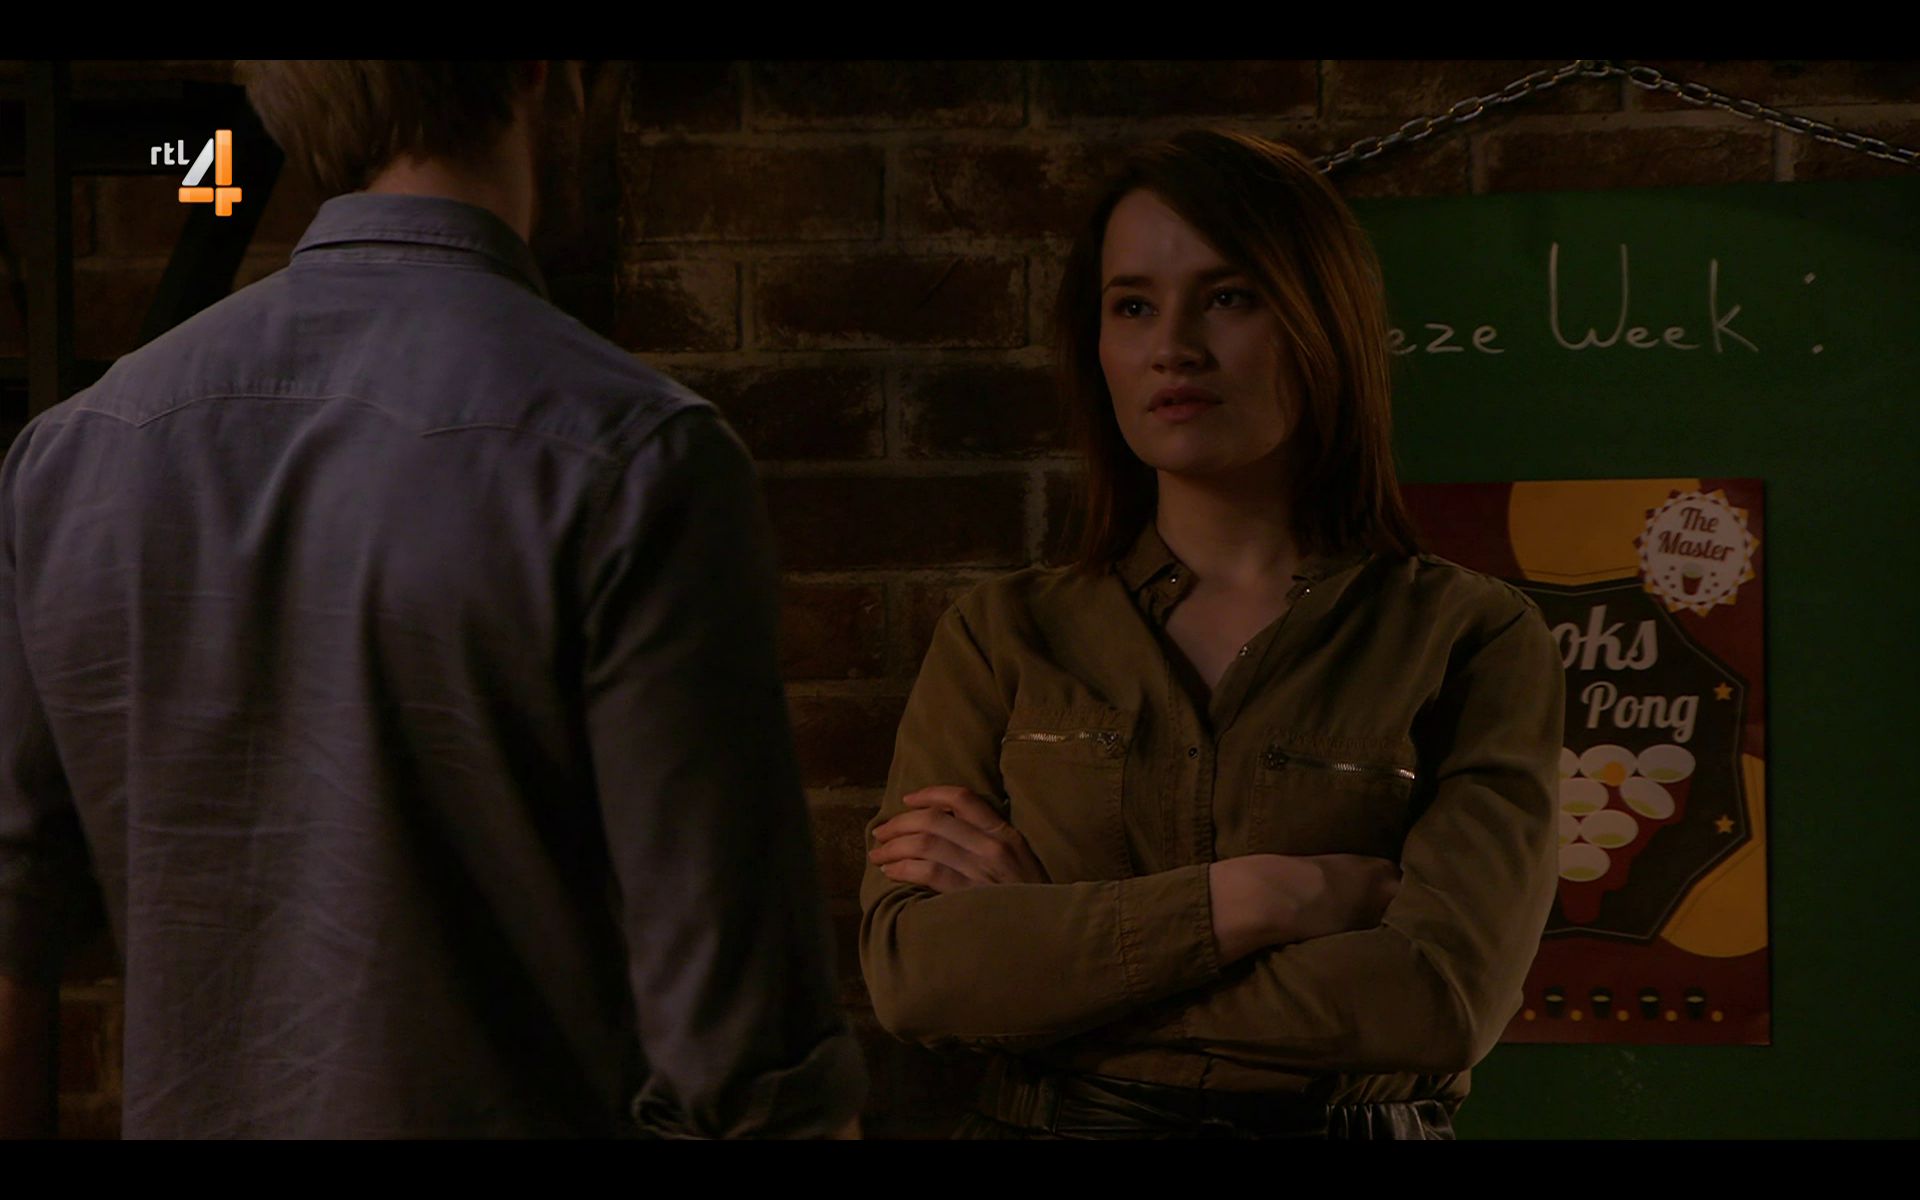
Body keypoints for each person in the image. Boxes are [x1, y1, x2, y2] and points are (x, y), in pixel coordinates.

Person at [0, 61, 863, 1139]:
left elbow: (13, 943)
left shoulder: (72, 457)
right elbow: (747, 1067)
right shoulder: (635, 459)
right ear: (542, 73)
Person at [858, 130, 1565, 1140]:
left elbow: (1436, 1001)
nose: (1173, 346)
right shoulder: (1004, 634)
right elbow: (917, 975)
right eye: (1132, 306)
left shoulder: (1469, 635)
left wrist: (1059, 964)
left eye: (1229, 297)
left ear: (1322, 325)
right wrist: (1266, 897)